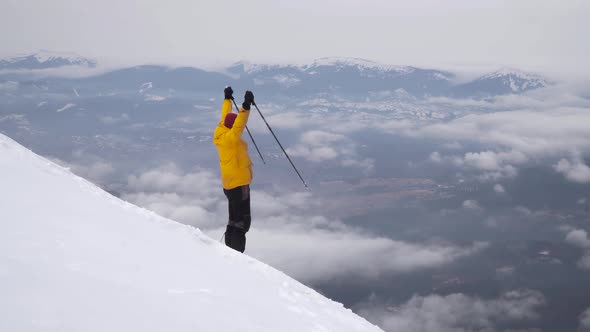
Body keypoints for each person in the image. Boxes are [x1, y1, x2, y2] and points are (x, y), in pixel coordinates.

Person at [213, 86, 254, 253]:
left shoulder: (221, 131)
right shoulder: (231, 138)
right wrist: (245, 106)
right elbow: (238, 125)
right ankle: (236, 254)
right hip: (239, 183)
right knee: (242, 221)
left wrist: (227, 98)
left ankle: (229, 248)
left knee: (234, 218)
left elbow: (226, 117)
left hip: (229, 184)